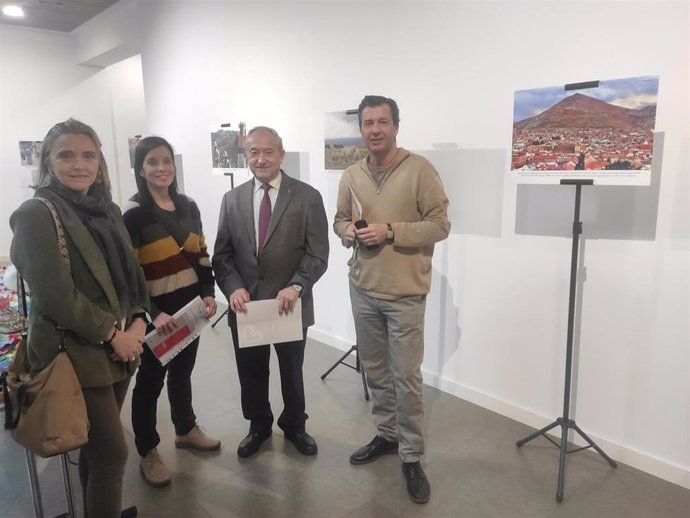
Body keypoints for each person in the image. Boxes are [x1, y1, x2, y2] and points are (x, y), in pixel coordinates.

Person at [10, 118, 150, 518]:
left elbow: (131, 270)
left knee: (94, 447)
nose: (79, 164)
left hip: (120, 345)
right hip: (74, 350)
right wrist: (113, 335)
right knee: (112, 453)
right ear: (49, 162)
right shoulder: (36, 213)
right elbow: (56, 294)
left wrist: (139, 318)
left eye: (88, 155)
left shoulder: (107, 207)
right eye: (66, 155)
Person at [333, 95, 450, 504]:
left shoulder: (420, 170)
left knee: (407, 378)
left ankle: (412, 454)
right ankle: (386, 435)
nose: (375, 129)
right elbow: (339, 219)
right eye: (368, 123)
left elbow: (439, 224)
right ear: (361, 129)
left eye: (383, 122)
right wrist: (347, 231)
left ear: (396, 126)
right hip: (363, 288)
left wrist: (390, 232)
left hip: (404, 295)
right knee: (377, 373)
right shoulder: (350, 174)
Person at [213, 126, 329, 458]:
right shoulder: (231, 199)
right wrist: (233, 287)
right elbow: (222, 254)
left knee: (292, 372)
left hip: (288, 305)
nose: (261, 158)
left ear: (281, 153)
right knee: (251, 372)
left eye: (268, 152)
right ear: (245, 155)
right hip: (247, 306)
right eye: (253, 152)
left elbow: (317, 253)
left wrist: (296, 286)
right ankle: (259, 426)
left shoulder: (306, 197)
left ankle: (295, 426)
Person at [122, 136, 220, 488]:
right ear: (141, 169)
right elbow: (129, 272)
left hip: (190, 309)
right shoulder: (132, 213)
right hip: (158, 316)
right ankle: (148, 450)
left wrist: (209, 293)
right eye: (152, 162)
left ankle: (185, 428)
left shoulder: (188, 205)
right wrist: (151, 311)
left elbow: (202, 251)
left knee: (183, 372)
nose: (161, 168)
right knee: (149, 382)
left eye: (166, 160)